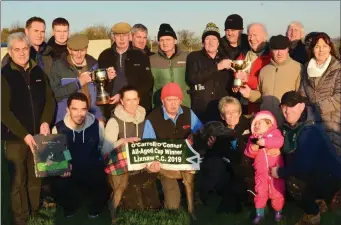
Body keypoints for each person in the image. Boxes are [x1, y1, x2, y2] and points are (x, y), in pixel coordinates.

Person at [1, 32, 55, 225]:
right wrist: (24, 134)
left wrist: (46, 121)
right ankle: (20, 218)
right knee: (18, 180)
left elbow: (50, 100)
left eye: (25, 49)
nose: (22, 53)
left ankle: (33, 211)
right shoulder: (5, 75)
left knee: (36, 177)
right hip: (15, 138)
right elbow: (3, 111)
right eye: (17, 49)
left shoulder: (39, 72)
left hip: (38, 135)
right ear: (10, 51)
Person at [271, 91, 341, 225]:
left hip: (332, 176)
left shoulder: (310, 130)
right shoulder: (289, 127)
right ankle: (321, 200)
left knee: (292, 181)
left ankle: (312, 214)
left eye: (291, 106)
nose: (287, 111)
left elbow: (303, 166)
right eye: (284, 107)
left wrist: (279, 172)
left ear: (302, 107)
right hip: (319, 172)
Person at [142, 82, 203, 210]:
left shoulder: (188, 113)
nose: (173, 103)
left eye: (176, 99)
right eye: (169, 100)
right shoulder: (152, 118)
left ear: (180, 100)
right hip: (165, 166)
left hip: (187, 162)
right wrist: (152, 164)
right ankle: (164, 190)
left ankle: (194, 195)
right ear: (163, 101)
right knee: (172, 206)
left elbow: (201, 133)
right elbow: (148, 146)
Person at [102, 86, 160, 211]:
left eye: (135, 99)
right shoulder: (114, 121)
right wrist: (123, 141)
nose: (132, 103)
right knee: (135, 207)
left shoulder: (145, 119)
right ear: (121, 101)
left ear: (139, 100)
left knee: (152, 207)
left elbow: (150, 145)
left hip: (142, 167)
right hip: (122, 170)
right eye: (128, 100)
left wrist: (152, 164)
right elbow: (105, 150)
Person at [51, 92, 108, 219]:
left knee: (100, 176)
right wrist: (62, 167)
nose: (79, 113)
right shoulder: (58, 129)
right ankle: (69, 206)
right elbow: (55, 157)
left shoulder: (97, 125)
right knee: (58, 181)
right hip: (70, 169)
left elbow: (104, 147)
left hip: (91, 167)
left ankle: (95, 207)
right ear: (67, 110)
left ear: (87, 110)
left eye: (83, 109)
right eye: (74, 109)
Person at [200, 96, 254, 214]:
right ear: (222, 116)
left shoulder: (250, 127)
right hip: (229, 170)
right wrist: (212, 146)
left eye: (234, 111)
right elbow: (215, 156)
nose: (231, 115)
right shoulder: (218, 131)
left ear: (240, 112)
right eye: (227, 112)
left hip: (248, 169)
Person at [48, 34, 115, 123]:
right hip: (66, 121)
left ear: (86, 49)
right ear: (69, 50)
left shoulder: (95, 65)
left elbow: (100, 92)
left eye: (82, 50)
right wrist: (78, 83)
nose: (79, 55)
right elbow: (54, 94)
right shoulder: (58, 67)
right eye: (75, 51)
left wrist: (108, 78)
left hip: (92, 119)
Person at [238, 35, 302, 126]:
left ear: (288, 49)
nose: (279, 53)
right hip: (266, 124)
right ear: (271, 50)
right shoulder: (264, 70)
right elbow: (262, 96)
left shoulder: (298, 68)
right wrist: (249, 94)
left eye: (282, 49)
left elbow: (301, 98)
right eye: (276, 49)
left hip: (287, 123)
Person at [98, 22, 154, 118]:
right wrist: (106, 76)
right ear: (113, 37)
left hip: (136, 108)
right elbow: (98, 83)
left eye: (124, 35)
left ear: (129, 37)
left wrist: (124, 96)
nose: (122, 39)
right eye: (118, 35)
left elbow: (147, 82)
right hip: (112, 108)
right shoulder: (104, 55)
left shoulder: (140, 55)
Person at [299, 32, 340, 156]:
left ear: (330, 48)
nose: (321, 50)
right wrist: (308, 111)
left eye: (324, 46)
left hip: (334, 123)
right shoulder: (307, 69)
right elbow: (303, 94)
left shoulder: (338, 68)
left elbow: (339, 96)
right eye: (317, 46)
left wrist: (317, 108)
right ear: (312, 49)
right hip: (311, 123)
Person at [186, 22, 234, 123]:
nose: (211, 42)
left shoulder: (226, 58)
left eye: (214, 39)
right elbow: (192, 79)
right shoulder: (194, 57)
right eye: (207, 39)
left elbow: (231, 82)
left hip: (222, 110)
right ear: (203, 42)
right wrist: (217, 67)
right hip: (201, 110)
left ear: (218, 42)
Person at [244, 111, 285, 224]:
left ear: (269, 123)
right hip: (261, 172)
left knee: (277, 191)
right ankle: (259, 214)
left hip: (275, 171)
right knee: (260, 192)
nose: (256, 125)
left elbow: (279, 141)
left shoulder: (274, 133)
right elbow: (248, 152)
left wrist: (265, 142)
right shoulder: (253, 138)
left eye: (259, 123)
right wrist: (253, 148)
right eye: (254, 124)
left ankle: (278, 211)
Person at [150, 23, 191, 108]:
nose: (165, 43)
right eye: (161, 40)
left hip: (184, 104)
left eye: (168, 39)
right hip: (161, 106)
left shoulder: (187, 57)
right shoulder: (151, 60)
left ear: (175, 40)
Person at [234, 23, 272, 115]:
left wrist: (248, 79)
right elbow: (237, 71)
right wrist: (236, 83)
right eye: (249, 35)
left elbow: (268, 84)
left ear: (264, 36)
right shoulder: (244, 53)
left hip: (259, 107)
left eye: (255, 35)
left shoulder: (271, 56)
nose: (251, 38)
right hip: (241, 103)